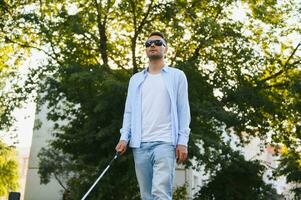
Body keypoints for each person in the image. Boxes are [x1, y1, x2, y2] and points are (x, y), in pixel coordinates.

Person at [115, 31, 191, 200]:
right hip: (140, 144)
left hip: (165, 142)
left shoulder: (177, 76)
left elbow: (183, 109)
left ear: (166, 48)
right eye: (148, 44)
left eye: (157, 42)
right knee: (147, 196)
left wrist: (182, 141)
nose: (153, 46)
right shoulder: (135, 79)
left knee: (161, 193)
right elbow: (129, 111)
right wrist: (123, 138)